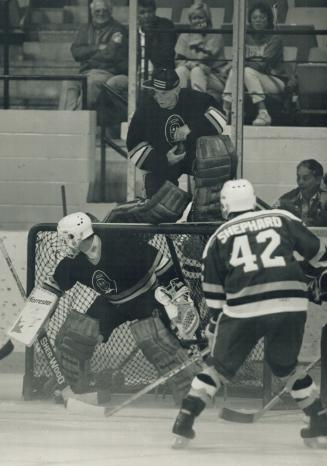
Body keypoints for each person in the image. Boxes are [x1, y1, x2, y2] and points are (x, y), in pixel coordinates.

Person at [172, 178, 327, 447]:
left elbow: (215, 296)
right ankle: (319, 419)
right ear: (254, 200)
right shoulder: (281, 217)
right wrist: (312, 276)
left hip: (245, 307)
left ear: (224, 206)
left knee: (217, 369)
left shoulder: (219, 237)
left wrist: (213, 327)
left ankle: (185, 420)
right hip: (291, 303)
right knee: (286, 367)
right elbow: (318, 251)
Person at [45, 212, 200, 400]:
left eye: (66, 238)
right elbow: (51, 289)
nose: (63, 243)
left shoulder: (121, 244)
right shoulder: (73, 261)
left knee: (155, 339)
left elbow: (164, 267)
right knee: (76, 336)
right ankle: (78, 390)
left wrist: (181, 301)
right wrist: (37, 316)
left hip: (146, 296)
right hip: (111, 302)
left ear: (79, 235)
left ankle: (189, 389)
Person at [126, 67, 227, 197]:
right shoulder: (146, 108)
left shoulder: (194, 98)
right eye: (155, 92)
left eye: (164, 93)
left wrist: (191, 128)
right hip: (163, 159)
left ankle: (203, 213)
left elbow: (220, 117)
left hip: (193, 156)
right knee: (158, 200)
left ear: (177, 90)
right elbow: (134, 146)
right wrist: (163, 160)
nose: (158, 98)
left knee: (214, 173)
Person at [223, 1, 290, 126]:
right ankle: (226, 110)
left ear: (268, 19)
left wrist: (241, 63)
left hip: (275, 80)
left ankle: (263, 112)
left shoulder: (275, 39)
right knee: (236, 71)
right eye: (255, 18)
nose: (258, 21)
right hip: (251, 78)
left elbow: (262, 65)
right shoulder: (245, 37)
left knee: (244, 71)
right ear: (250, 20)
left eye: (262, 17)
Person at [58, 0, 128, 113]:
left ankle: (77, 121)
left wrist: (89, 57)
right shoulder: (85, 29)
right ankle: (66, 123)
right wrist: (98, 47)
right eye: (97, 10)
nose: (101, 13)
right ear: (91, 12)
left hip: (106, 73)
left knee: (91, 82)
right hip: (85, 73)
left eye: (105, 10)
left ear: (110, 12)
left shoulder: (119, 29)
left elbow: (110, 55)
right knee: (68, 82)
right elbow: (76, 53)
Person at [175, 1, 229, 103]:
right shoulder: (184, 36)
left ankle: (198, 107)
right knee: (180, 71)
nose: (197, 21)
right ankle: (180, 106)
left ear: (207, 19)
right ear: (190, 20)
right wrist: (192, 64)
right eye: (194, 18)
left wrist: (198, 35)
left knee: (197, 71)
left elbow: (203, 59)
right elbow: (178, 61)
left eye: (201, 18)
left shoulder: (216, 35)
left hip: (215, 77)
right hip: (192, 70)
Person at [273, 159, 327, 227]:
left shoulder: (325, 201)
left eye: (306, 178)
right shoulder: (286, 200)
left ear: (318, 180)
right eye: (298, 177)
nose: (300, 182)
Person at [138, 0, 176, 76]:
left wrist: (149, 34)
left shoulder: (165, 25)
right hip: (137, 73)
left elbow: (167, 56)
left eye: (150, 11)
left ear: (155, 11)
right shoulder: (133, 31)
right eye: (142, 13)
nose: (147, 16)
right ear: (136, 15)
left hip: (161, 72)